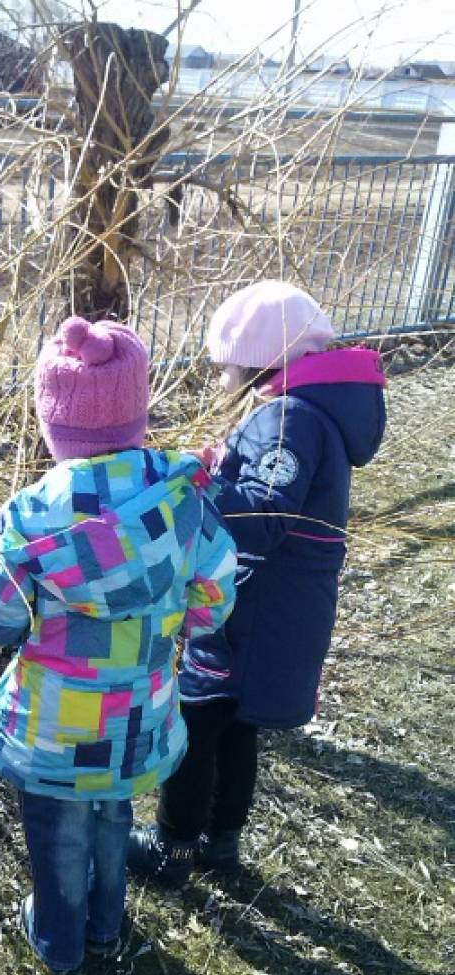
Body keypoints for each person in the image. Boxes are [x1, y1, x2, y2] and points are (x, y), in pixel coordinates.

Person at [0, 316, 237, 973]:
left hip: (55, 721)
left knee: (58, 832)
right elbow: (217, 595)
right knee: (113, 815)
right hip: (134, 712)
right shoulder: (180, 499)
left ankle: (59, 942)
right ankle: (105, 928)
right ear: (137, 410)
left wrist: (31, 619)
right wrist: (171, 613)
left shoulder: (31, 514)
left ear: (52, 423)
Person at [127, 281, 387, 887]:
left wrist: (205, 485)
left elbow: (263, 520)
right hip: (286, 606)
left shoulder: (289, 415)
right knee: (237, 727)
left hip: (255, 610)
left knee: (195, 720)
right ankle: (220, 843)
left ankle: (172, 849)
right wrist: (229, 461)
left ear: (262, 357)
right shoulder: (308, 409)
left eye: (229, 363)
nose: (223, 377)